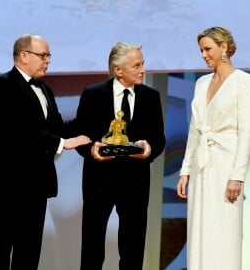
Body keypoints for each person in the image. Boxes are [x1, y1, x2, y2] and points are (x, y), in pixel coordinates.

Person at [0, 34, 91, 270]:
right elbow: (19, 131)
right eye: (43, 55)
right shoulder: (3, 85)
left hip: (36, 185)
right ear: (23, 56)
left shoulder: (45, 89)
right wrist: (62, 144)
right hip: (5, 185)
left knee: (28, 255)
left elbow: (57, 128)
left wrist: (89, 117)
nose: (48, 61)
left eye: (48, 55)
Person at [74, 41, 166, 270]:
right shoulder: (93, 94)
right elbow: (81, 135)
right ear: (118, 69)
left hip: (136, 182)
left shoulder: (151, 97)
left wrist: (149, 149)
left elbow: (159, 138)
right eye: (136, 66)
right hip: (99, 180)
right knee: (92, 249)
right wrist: (91, 150)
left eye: (142, 64)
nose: (143, 70)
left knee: (133, 249)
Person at [177, 26, 250, 270]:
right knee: (200, 228)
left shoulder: (243, 82)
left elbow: (246, 132)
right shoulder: (201, 82)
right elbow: (196, 130)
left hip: (226, 164)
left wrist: (237, 177)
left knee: (224, 229)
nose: (203, 55)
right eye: (201, 50)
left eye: (208, 49)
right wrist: (185, 169)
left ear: (224, 47)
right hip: (201, 166)